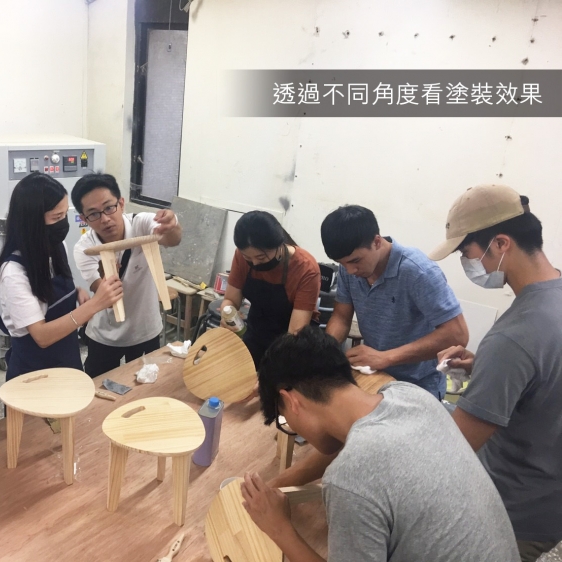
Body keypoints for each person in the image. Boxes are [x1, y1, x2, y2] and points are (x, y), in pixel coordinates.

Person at [241, 326, 519, 562]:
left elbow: (360, 467)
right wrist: (283, 481)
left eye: (284, 418)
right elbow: (361, 451)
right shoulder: (410, 396)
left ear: (291, 400)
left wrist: (279, 528)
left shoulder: (349, 477)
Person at [430, 185, 562, 561]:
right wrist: (486, 368)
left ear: (501, 243)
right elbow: (547, 376)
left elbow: (457, 445)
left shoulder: (515, 336)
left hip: (510, 511)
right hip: (550, 500)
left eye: (467, 253)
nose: (469, 265)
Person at [320, 205, 468, 399]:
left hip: (418, 385)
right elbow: (341, 317)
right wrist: (326, 353)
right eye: (342, 263)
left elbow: (457, 334)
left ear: (377, 242)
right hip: (375, 376)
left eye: (355, 261)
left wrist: (385, 357)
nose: (350, 271)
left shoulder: (418, 271)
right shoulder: (350, 270)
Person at [0, 172, 122, 380]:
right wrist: (95, 304)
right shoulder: (13, 273)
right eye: (56, 218)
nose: (63, 223)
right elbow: (41, 336)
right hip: (34, 373)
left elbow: (48, 294)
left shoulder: (57, 246)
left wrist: (74, 293)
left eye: (64, 215)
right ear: (33, 222)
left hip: (67, 361)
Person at [71, 174, 181, 377]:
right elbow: (104, 295)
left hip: (145, 329)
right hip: (105, 333)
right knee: (97, 385)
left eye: (109, 208)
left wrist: (171, 224)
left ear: (121, 204)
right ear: (84, 219)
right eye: (93, 214)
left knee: (148, 385)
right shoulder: (84, 248)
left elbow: (172, 240)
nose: (105, 219)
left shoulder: (142, 224)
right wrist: (106, 274)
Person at [221, 211, 321, 367]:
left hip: (292, 343)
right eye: (248, 258)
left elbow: (295, 333)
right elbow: (230, 300)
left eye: (261, 258)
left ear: (280, 245)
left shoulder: (305, 268)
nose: (254, 263)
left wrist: (273, 370)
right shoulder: (241, 255)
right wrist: (227, 314)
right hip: (256, 332)